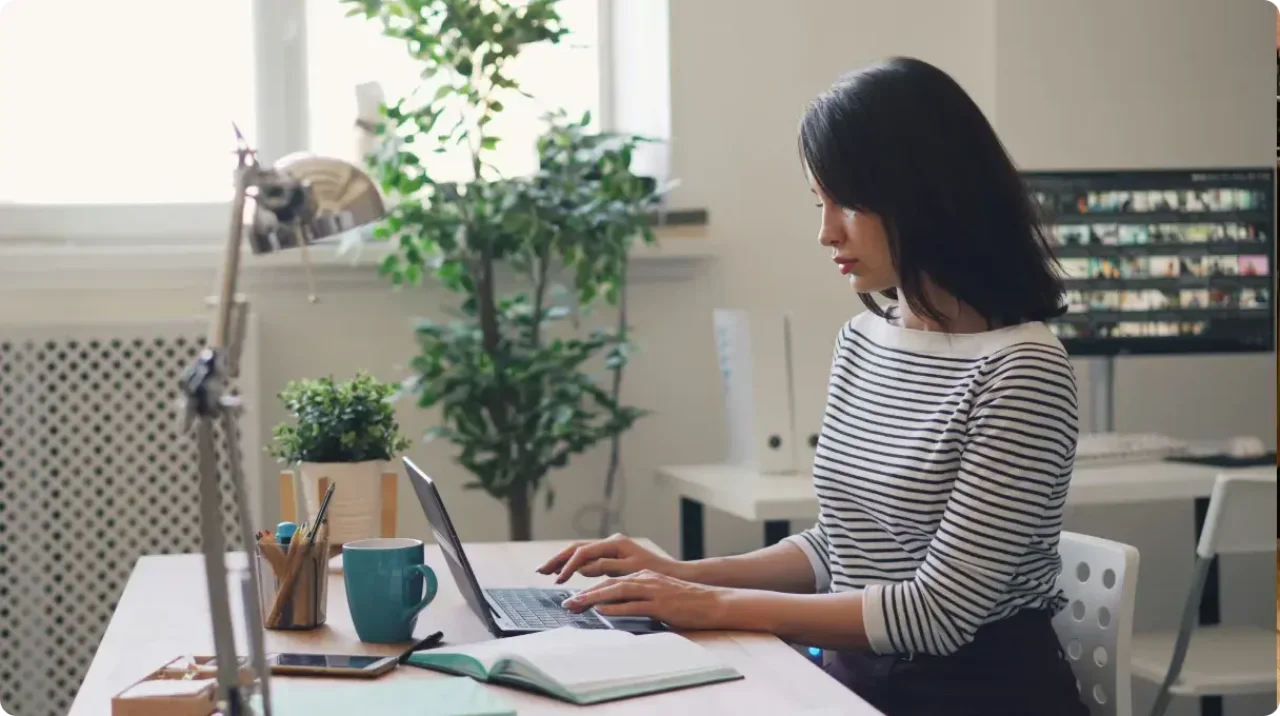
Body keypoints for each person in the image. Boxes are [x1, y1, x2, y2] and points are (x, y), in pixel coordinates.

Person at [538, 56, 1088, 716]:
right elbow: (841, 547)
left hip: (969, 694)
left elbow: (937, 615)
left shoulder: (1022, 369)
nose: (825, 232)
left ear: (928, 196)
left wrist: (705, 605)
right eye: (818, 202)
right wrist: (677, 575)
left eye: (848, 204)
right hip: (853, 680)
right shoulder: (864, 340)